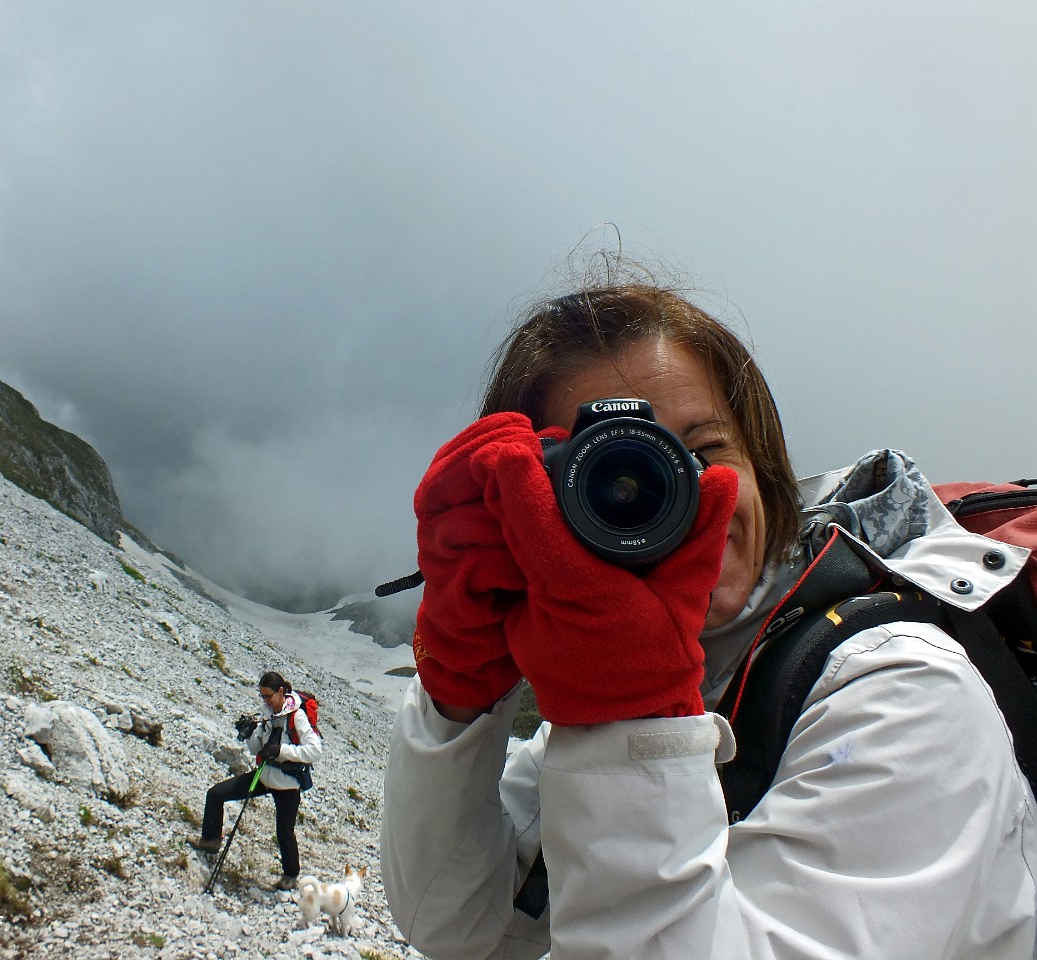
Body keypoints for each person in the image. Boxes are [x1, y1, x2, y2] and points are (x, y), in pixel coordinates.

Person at [381, 279, 1037, 959]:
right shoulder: (661, 692)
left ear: (765, 466)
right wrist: (458, 690)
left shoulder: (905, 694)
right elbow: (458, 929)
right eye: (607, 469)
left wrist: (633, 702)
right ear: (527, 507)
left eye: (704, 451)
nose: (684, 497)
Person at [191, 670, 322, 891]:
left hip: (288, 783)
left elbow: (314, 751)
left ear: (281, 691)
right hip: (264, 774)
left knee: (284, 832)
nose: (265, 700)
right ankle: (211, 840)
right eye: (262, 696)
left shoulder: (296, 716)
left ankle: (291, 875)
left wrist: (281, 750)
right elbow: (255, 749)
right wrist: (252, 733)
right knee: (216, 794)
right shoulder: (268, 714)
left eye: (268, 696)